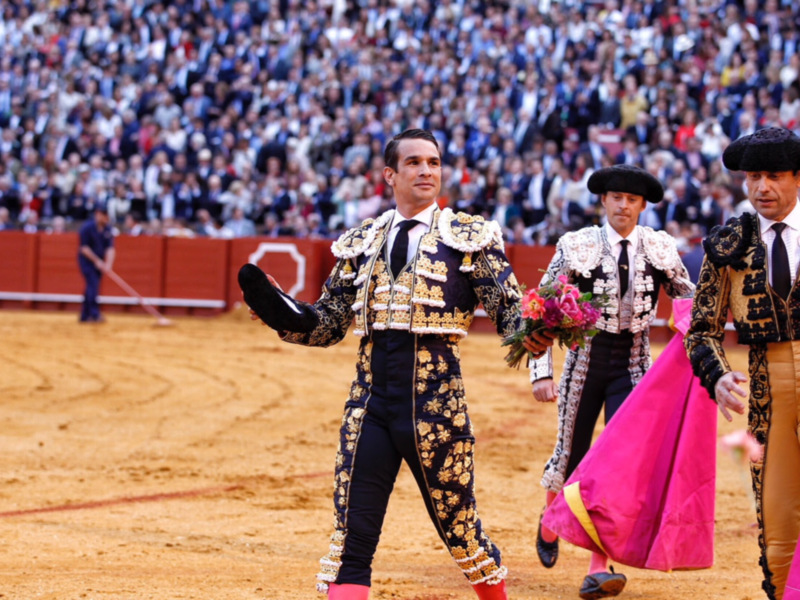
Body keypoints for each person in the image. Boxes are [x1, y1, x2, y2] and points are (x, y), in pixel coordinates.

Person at [238, 129, 547, 600]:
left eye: (433, 162)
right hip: (371, 407)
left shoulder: (469, 238)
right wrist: (284, 314)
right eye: (414, 163)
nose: (427, 170)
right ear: (390, 175)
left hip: (437, 409)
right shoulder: (360, 243)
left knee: (462, 534)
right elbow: (328, 324)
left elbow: (509, 313)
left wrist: (539, 328)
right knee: (352, 541)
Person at [531, 164, 695, 599]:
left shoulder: (659, 247)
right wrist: (541, 371)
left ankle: (597, 566)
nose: (623, 205)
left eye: (632, 199)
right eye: (616, 197)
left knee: (616, 467)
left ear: (643, 206)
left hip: (635, 367)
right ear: (603, 201)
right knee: (570, 457)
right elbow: (542, 309)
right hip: (584, 362)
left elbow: (690, 305)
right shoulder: (576, 245)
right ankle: (551, 520)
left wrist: (699, 360)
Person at [685, 127, 800, 600]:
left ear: (797, 178)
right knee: (776, 523)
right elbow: (702, 330)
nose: (761, 188)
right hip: (767, 391)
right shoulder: (729, 244)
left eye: (773, 175)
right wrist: (716, 376)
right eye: (754, 176)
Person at [77, 205, 115, 323]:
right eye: (102, 214)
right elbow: (84, 248)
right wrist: (97, 261)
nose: (104, 217)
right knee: (93, 285)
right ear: (97, 214)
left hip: (100, 262)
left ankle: (85, 315)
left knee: (91, 286)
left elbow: (110, 249)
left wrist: (108, 264)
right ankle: (94, 314)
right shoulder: (87, 228)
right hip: (86, 262)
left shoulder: (107, 229)